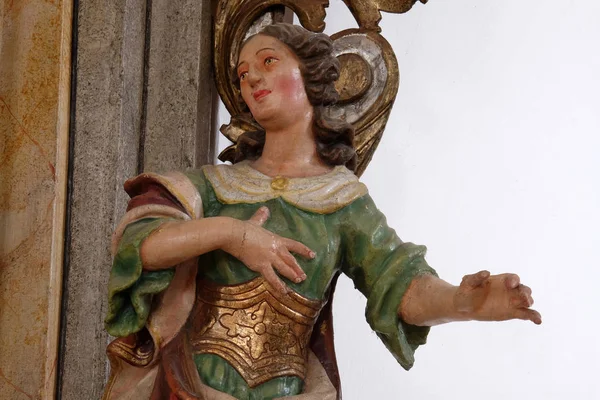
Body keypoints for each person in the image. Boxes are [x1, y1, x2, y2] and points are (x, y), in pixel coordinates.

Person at [103, 23, 541, 400]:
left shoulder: (343, 201)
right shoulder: (213, 187)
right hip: (190, 386)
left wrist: (463, 303)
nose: (252, 77)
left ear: (310, 74)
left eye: (269, 62)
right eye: (242, 74)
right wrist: (231, 235)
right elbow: (140, 247)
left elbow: (401, 284)